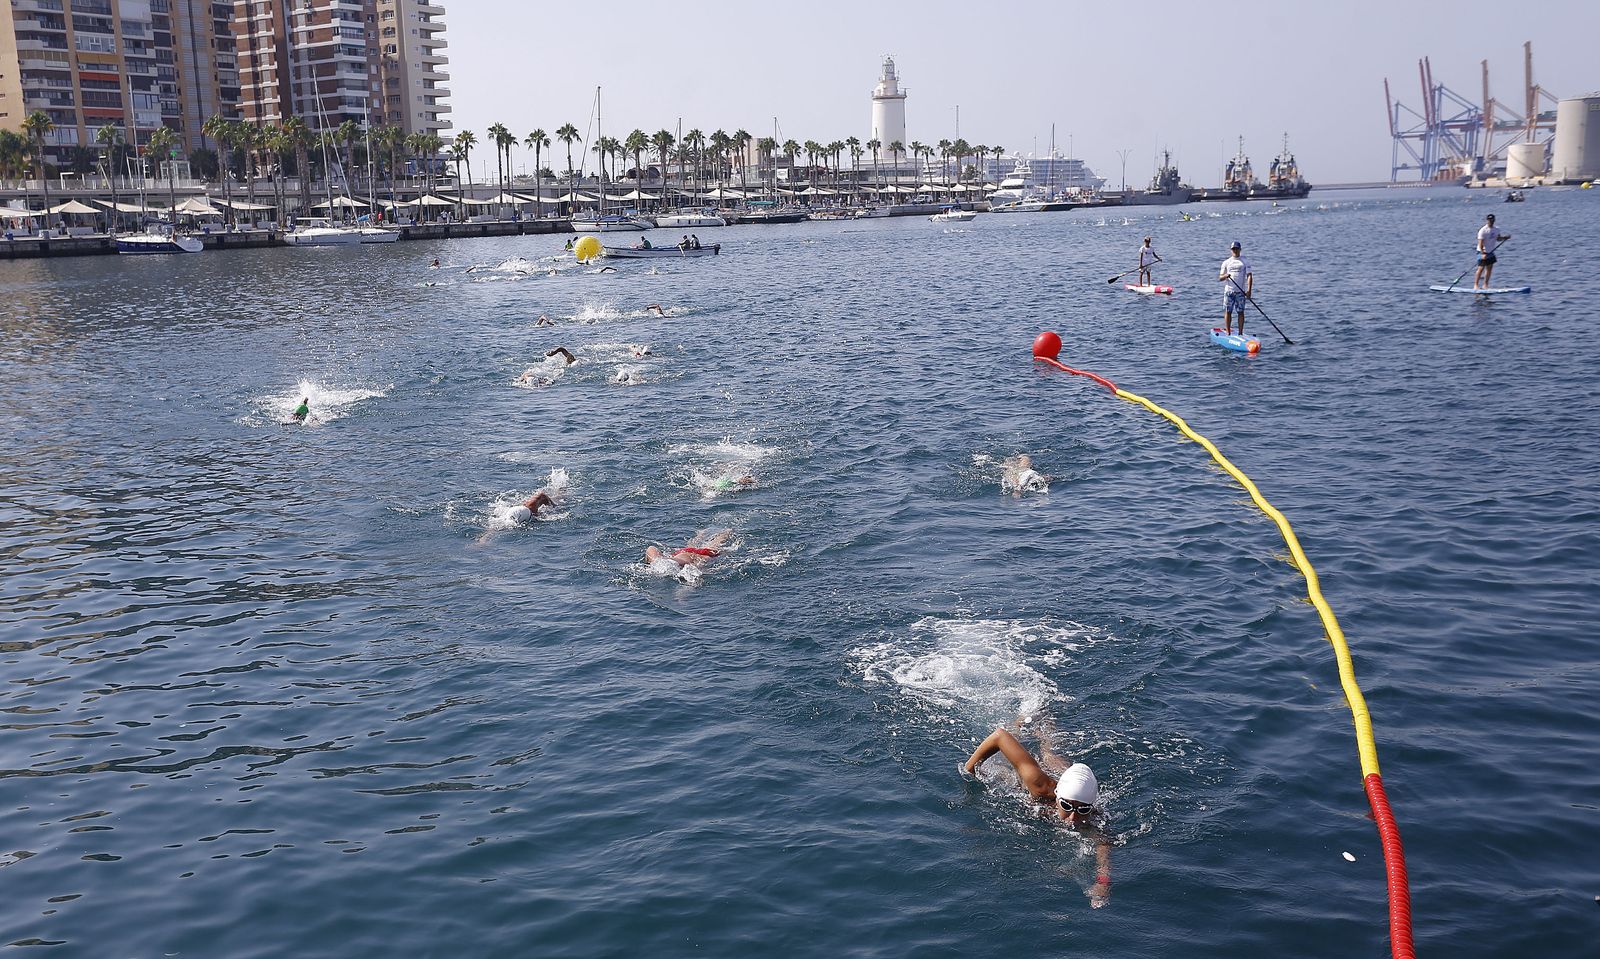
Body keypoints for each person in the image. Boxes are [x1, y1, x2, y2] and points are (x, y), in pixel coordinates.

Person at [963, 718, 1113, 907]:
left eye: (1082, 809)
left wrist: (1102, 882)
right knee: (1036, 762)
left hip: (1066, 784)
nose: (1073, 817)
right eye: (1066, 806)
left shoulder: (1094, 816)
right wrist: (970, 771)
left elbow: (1103, 844)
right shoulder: (1039, 787)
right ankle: (1028, 722)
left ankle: (1046, 737)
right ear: (1057, 797)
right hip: (1037, 784)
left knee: (1052, 758)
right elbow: (999, 736)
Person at [644, 529, 733, 582]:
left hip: (680, 556)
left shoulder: (702, 557)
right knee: (713, 544)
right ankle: (726, 532)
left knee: (696, 544)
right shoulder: (704, 557)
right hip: (684, 556)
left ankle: (705, 533)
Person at [1217, 240, 1253, 335]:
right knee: (1228, 312)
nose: (1235, 251)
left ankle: (1240, 333)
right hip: (1229, 292)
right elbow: (1220, 278)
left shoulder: (1244, 261)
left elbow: (1249, 275)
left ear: (1240, 249)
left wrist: (1249, 290)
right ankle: (1228, 333)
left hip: (1240, 292)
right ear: (1231, 250)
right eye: (1233, 249)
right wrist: (1225, 276)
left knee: (1240, 312)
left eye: (1237, 249)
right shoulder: (1226, 262)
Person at [1474, 213, 1511, 290]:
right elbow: (1480, 244)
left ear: (1494, 220)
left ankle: (1485, 285)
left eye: (1492, 220)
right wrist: (1483, 253)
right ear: (1487, 220)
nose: (1491, 221)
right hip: (1482, 251)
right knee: (1480, 268)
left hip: (1490, 252)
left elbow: (1498, 238)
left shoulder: (1496, 229)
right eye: (1489, 220)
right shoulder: (1483, 230)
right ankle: (1475, 285)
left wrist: (1504, 238)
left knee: (1489, 268)